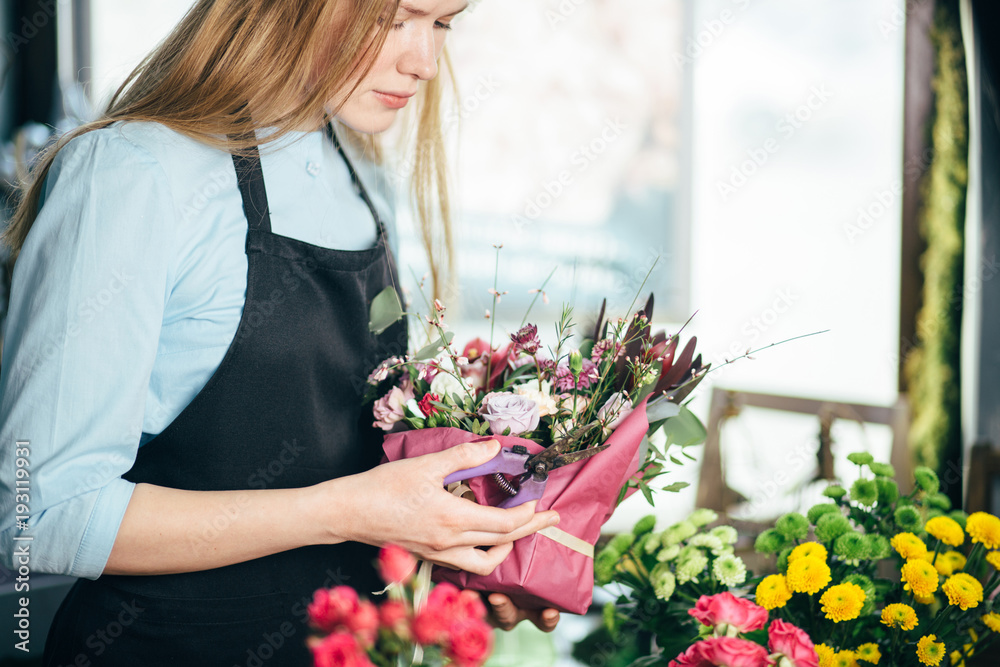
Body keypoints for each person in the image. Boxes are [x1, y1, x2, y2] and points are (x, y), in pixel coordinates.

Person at [0, 1, 561, 664]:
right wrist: (344, 511)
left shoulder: (365, 179)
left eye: (442, 23)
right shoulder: (134, 171)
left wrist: (470, 555)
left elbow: (356, 477)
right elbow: (38, 516)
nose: (425, 63)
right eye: (395, 18)